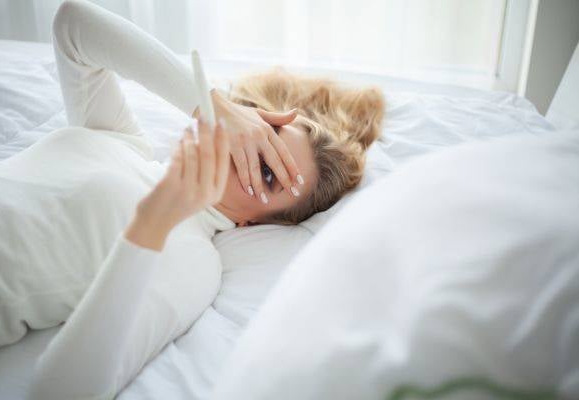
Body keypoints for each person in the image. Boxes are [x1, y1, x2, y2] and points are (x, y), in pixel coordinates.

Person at [27, 1, 385, 398]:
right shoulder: (120, 139)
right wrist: (217, 106)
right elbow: (73, 23)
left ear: (257, 222)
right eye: (265, 131)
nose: (248, 148)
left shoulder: (191, 262)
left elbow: (63, 392)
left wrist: (152, 223)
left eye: (267, 174)